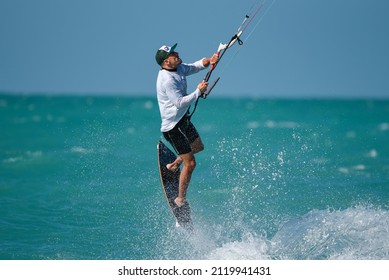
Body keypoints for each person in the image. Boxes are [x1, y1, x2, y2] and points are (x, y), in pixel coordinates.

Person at [155, 43, 218, 207]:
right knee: (190, 163)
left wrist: (210, 60)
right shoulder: (167, 80)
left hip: (183, 120)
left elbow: (196, 66)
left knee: (197, 146)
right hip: (173, 128)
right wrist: (198, 92)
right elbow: (179, 103)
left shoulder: (179, 67)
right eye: (172, 54)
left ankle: (174, 164)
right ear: (166, 62)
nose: (177, 53)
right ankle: (180, 199)